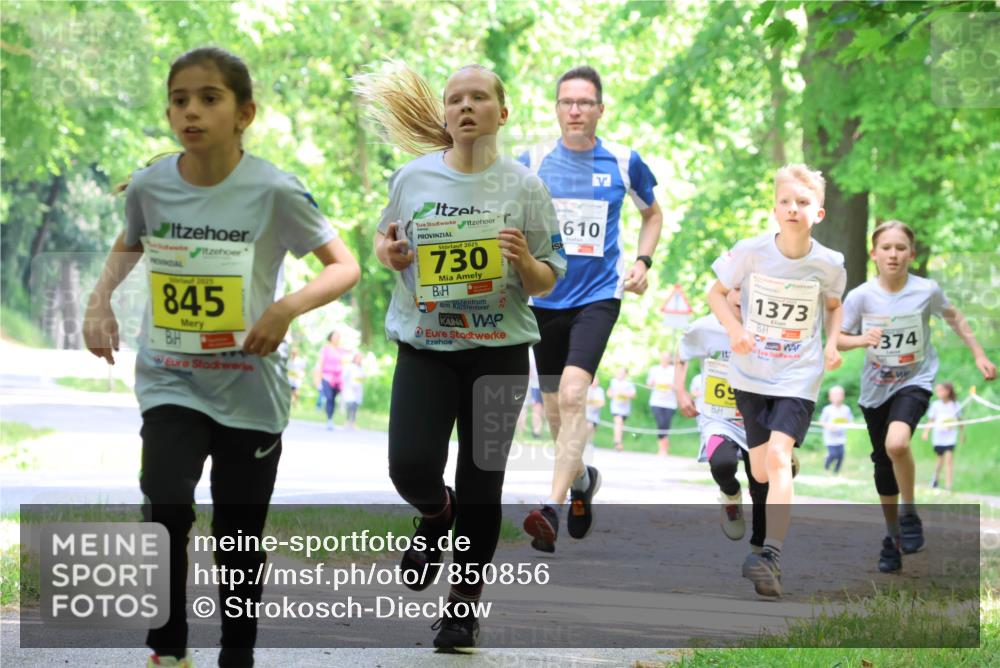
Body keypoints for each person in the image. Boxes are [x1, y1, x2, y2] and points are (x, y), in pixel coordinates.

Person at [81, 47, 360, 668]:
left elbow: (345, 267)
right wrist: (99, 300)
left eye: (210, 98)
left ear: (244, 113)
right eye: (180, 99)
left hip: (248, 391)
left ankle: (237, 653)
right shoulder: (152, 184)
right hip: (171, 378)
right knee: (165, 499)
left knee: (238, 539)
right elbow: (129, 241)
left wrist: (285, 308)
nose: (191, 111)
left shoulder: (273, 190)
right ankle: (167, 645)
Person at [354, 61, 565, 650]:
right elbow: (384, 239)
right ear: (445, 115)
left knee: (484, 483)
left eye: (478, 97)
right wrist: (390, 253)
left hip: (498, 354)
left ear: (503, 111)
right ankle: (434, 512)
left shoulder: (525, 187)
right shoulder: (413, 178)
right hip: (427, 348)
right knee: (409, 466)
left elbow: (550, 277)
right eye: (455, 99)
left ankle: (463, 610)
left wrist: (524, 263)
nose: (465, 106)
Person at [519, 65, 663, 552]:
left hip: (599, 296)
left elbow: (652, 213)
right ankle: (581, 481)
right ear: (556, 109)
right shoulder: (533, 160)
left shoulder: (624, 161)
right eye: (566, 102)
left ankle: (551, 508)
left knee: (576, 395)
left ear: (600, 109)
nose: (575, 110)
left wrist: (643, 261)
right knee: (557, 412)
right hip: (543, 296)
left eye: (584, 102)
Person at [708, 163, 846, 598]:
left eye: (803, 203)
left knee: (779, 458)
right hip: (751, 374)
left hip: (798, 374)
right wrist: (736, 331)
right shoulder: (750, 252)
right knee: (760, 468)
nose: (793, 209)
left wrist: (833, 343)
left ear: (818, 213)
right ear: (774, 208)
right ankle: (776, 478)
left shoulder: (829, 263)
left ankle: (771, 554)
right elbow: (715, 292)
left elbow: (834, 304)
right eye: (785, 202)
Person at [839, 220, 995, 572]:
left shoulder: (927, 290)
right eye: (886, 248)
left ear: (911, 253)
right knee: (882, 462)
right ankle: (892, 536)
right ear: (874, 253)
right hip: (875, 388)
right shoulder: (861, 296)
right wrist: (863, 340)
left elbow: (955, 317)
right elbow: (838, 339)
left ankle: (909, 513)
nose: (893, 254)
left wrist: (979, 354)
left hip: (915, 380)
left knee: (897, 444)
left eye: (900, 248)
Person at [676, 287, 768, 548]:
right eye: (736, 289)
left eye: (747, 288)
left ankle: (760, 549)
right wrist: (680, 390)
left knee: (761, 483)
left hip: (757, 418)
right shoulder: (705, 327)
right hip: (719, 418)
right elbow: (682, 354)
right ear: (723, 293)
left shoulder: (767, 327)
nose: (741, 296)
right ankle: (730, 495)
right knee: (723, 464)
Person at [924, 382, 963, 490]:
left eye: (941, 390)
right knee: (940, 460)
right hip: (938, 437)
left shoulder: (956, 405)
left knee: (949, 460)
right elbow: (931, 420)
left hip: (950, 437)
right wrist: (926, 431)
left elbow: (960, 421)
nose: (938, 393)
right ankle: (935, 479)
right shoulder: (936, 405)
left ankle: (948, 485)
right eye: (937, 391)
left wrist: (962, 434)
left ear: (948, 391)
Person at [647, 351, 679, 455]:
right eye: (663, 357)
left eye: (667, 357)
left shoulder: (674, 370)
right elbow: (649, 384)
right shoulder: (654, 369)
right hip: (656, 401)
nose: (665, 359)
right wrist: (652, 384)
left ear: (670, 359)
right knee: (660, 423)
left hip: (670, 403)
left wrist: (671, 386)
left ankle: (665, 446)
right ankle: (662, 448)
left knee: (666, 425)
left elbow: (678, 386)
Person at [315, 330, 346, 429]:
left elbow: (343, 363)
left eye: (338, 336)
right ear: (330, 338)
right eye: (335, 336)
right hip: (326, 377)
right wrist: (318, 379)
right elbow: (321, 364)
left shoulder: (340, 350)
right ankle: (329, 418)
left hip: (337, 379)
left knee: (333, 398)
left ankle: (331, 418)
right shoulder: (325, 349)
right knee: (329, 397)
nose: (337, 338)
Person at [819, 385, 853, 474]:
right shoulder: (827, 409)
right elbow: (822, 422)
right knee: (833, 454)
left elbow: (849, 421)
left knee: (841, 456)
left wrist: (847, 425)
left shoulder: (846, 409)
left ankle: (836, 472)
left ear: (843, 396)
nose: (837, 397)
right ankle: (827, 465)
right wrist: (828, 426)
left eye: (839, 394)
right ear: (830, 397)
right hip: (830, 438)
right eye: (834, 395)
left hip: (841, 438)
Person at [608, 367, 636, 452]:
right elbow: (609, 392)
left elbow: (633, 395)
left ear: (626, 374)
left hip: (625, 408)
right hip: (615, 407)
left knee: (620, 425)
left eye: (622, 373)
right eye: (619, 373)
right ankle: (617, 443)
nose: (620, 375)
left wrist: (625, 394)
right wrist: (611, 395)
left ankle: (618, 441)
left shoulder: (629, 383)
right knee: (618, 422)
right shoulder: (613, 381)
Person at [341, 350, 366, 430]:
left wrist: (361, 379)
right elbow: (344, 376)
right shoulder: (349, 366)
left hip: (358, 389)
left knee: (355, 406)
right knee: (350, 405)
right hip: (350, 389)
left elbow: (363, 377)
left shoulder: (361, 368)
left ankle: (353, 422)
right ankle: (348, 420)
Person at [585, 375, 606, 446]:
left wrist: (594, 404)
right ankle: (585, 441)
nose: (595, 382)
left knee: (593, 428)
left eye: (596, 381)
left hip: (595, 414)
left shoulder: (600, 391)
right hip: (586, 413)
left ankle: (589, 441)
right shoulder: (586, 389)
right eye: (594, 380)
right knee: (589, 426)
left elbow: (602, 403)